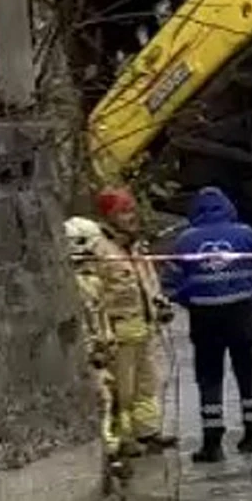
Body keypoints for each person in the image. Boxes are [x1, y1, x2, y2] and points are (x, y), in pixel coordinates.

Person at [166, 187, 252, 463]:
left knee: (209, 376)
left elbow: (171, 284)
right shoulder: (246, 234)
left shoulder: (185, 241)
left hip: (205, 318)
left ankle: (212, 443)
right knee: (248, 372)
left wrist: (193, 299)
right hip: (242, 314)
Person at [94, 187, 179, 457]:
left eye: (131, 210)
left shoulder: (136, 246)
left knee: (148, 383)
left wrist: (160, 302)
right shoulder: (100, 250)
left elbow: (148, 281)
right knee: (122, 389)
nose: (130, 216)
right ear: (110, 216)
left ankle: (149, 432)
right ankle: (123, 439)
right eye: (123, 212)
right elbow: (95, 293)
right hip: (119, 331)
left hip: (145, 325)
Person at [64, 216, 126, 477]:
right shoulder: (75, 285)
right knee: (102, 400)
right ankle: (107, 457)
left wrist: (108, 339)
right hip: (89, 358)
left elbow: (101, 317)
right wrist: (96, 350)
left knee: (109, 398)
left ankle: (111, 451)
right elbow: (84, 323)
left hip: (101, 351)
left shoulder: (92, 280)